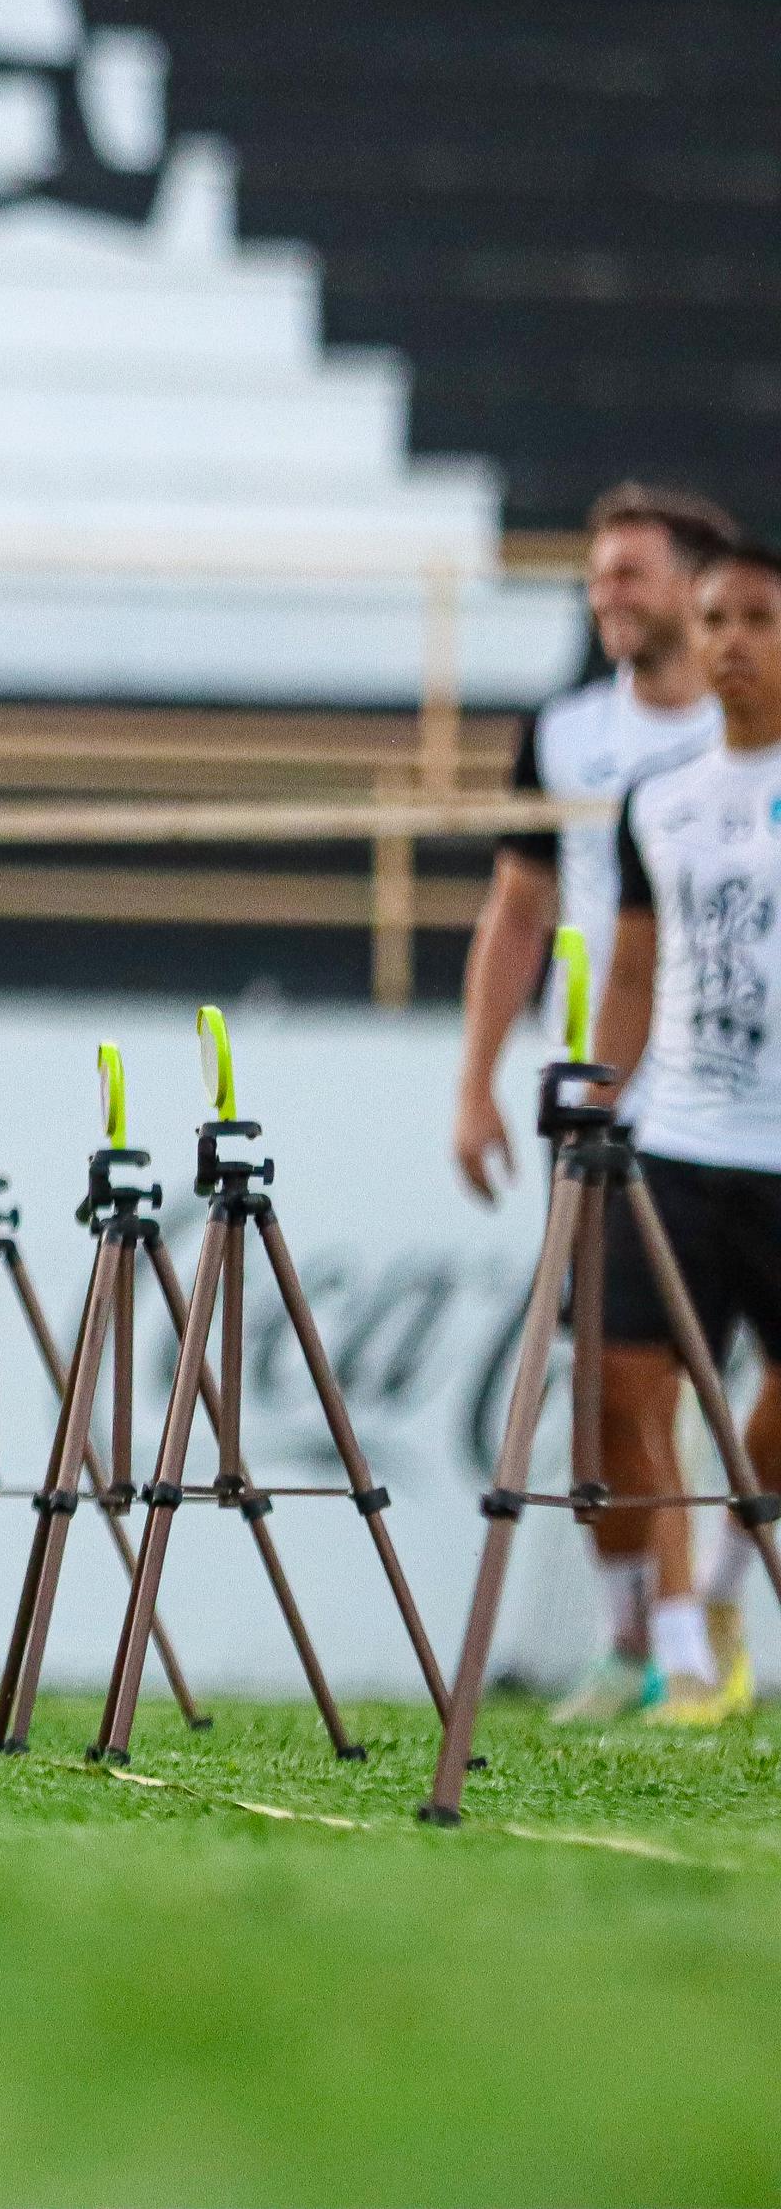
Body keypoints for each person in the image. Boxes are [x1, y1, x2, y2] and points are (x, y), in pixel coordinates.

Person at [449, 482, 732, 1721]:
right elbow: (515, 909)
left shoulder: (750, 728)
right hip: (614, 1099)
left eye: (631, 573)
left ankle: (710, 1590)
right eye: (595, 576)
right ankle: (655, 1643)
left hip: (744, 1093)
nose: (606, 595)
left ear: (698, 588)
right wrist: (475, 1079)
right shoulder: (561, 734)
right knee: (618, 1384)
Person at [593, 535, 781, 1728]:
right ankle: (677, 1654)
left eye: (756, 618)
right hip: (674, 1135)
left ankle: (714, 1584)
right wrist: (598, 1091)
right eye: (711, 618)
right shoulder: (654, 799)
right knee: (627, 1388)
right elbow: (630, 967)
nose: (728, 642)